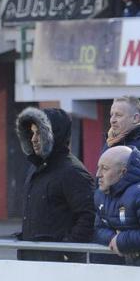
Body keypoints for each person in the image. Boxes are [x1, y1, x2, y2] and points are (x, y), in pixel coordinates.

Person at [14, 107, 96, 262]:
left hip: (59, 267)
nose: (33, 139)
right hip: (33, 262)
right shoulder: (35, 168)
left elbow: (89, 216)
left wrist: (66, 251)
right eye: (32, 133)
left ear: (53, 135)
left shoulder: (73, 172)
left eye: (39, 133)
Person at [105, 96, 140, 165]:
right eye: (111, 115)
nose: (112, 120)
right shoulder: (109, 143)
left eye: (118, 115)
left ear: (136, 118)